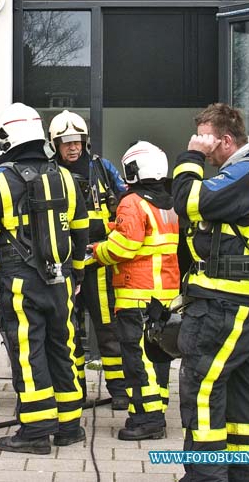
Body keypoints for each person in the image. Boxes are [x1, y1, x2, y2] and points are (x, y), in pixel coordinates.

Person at [0, 103, 89, 455]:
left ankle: (34, 431)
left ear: (6, 137)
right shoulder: (65, 176)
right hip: (61, 281)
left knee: (28, 352)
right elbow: (81, 230)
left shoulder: (0, 181)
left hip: (20, 282)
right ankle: (69, 425)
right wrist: (76, 272)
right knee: (62, 348)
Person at [172, 103, 249, 482]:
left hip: (225, 305)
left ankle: (204, 476)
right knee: (246, 395)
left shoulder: (244, 175)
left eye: (207, 140)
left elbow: (186, 201)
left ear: (226, 140)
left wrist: (190, 157)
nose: (203, 148)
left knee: (203, 388)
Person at [91, 140, 180, 440]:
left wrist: (98, 252)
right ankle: (157, 411)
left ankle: (146, 419)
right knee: (159, 357)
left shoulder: (132, 201)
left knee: (137, 358)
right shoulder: (167, 202)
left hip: (136, 295)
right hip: (164, 295)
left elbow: (126, 245)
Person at [48, 110, 128, 409]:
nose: (73, 148)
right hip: (65, 265)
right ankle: (74, 389)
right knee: (68, 329)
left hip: (99, 265)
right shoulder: (49, 173)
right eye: (66, 142)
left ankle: (119, 389)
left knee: (108, 329)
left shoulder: (103, 169)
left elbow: (125, 206)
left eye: (77, 141)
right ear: (55, 144)